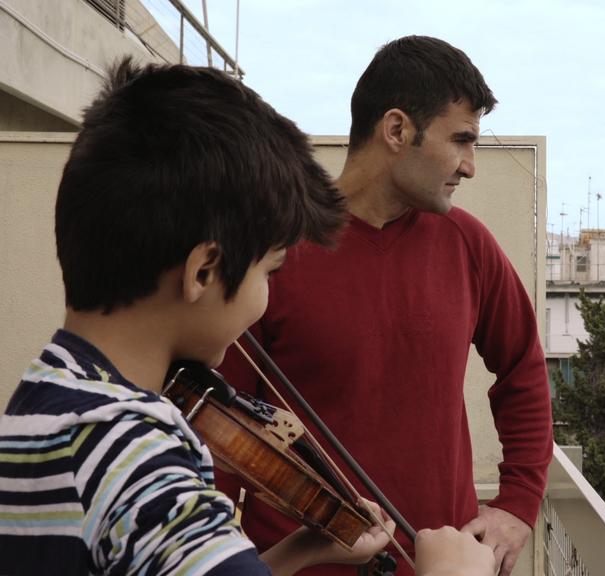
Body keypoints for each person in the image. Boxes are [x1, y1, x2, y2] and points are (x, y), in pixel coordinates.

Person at [0, 58, 494, 576]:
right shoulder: (139, 461)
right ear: (205, 270)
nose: (265, 296)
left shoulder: (49, 401)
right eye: (268, 271)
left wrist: (297, 551)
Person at [217, 35, 554, 576]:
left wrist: (518, 503)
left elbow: (523, 371)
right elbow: (221, 426)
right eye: (462, 140)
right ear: (396, 130)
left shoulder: (469, 244)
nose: (470, 166)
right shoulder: (273, 253)